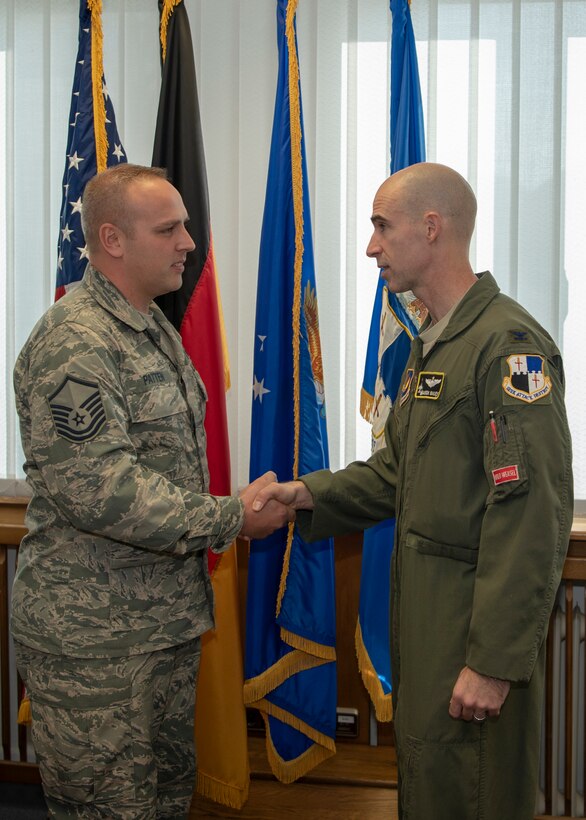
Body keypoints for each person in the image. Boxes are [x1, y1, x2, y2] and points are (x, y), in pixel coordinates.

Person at [253, 162, 573, 820]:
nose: (371, 245)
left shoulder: (505, 348)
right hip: (429, 630)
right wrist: (301, 496)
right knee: (433, 790)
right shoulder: (437, 347)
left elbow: (529, 513)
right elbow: (396, 473)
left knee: (474, 794)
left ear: (432, 228)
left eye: (381, 226)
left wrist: (494, 660)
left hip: (468, 634)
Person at [11, 163, 291, 819]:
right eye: (169, 228)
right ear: (113, 239)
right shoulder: (74, 342)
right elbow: (99, 487)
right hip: (95, 647)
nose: (189, 242)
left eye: (185, 226)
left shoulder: (152, 326)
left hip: (158, 629)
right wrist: (231, 517)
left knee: (162, 803)